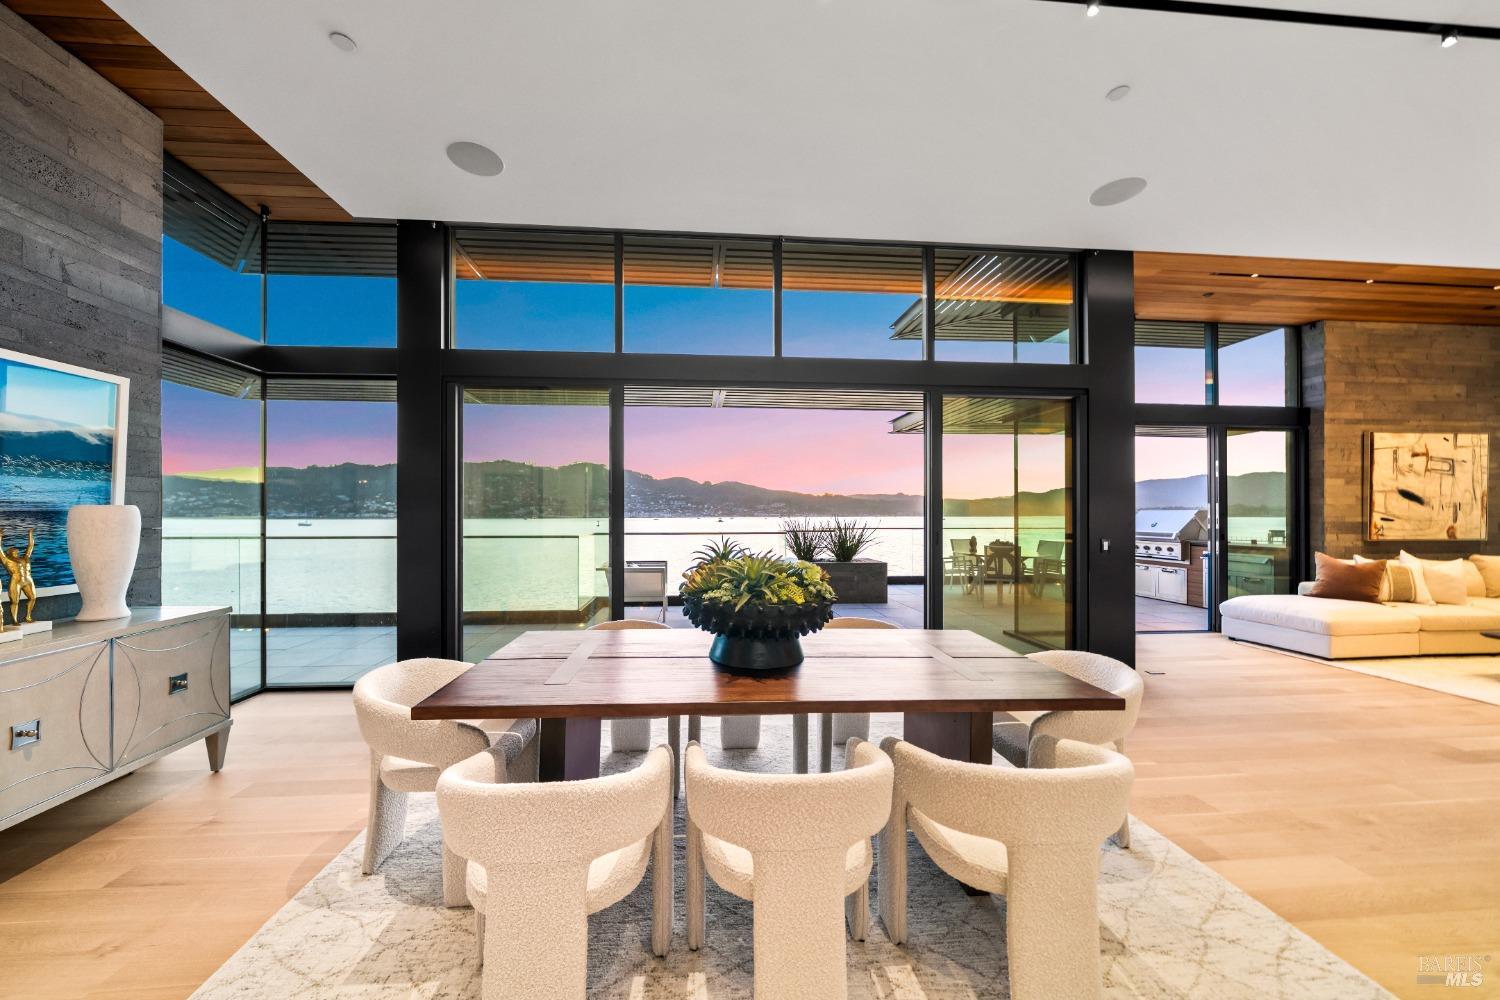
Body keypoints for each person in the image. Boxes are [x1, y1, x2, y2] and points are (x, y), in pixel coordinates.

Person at [0, 528, 38, 627]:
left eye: (16, 550)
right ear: (9, 553)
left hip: (28, 580)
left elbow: (30, 546)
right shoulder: (7, 561)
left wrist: (30, 533)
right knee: (15, 601)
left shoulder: (25, 558)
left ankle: (28, 616)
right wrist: (0, 536)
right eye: (12, 549)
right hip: (16, 581)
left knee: (33, 598)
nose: (15, 549)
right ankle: (15, 620)